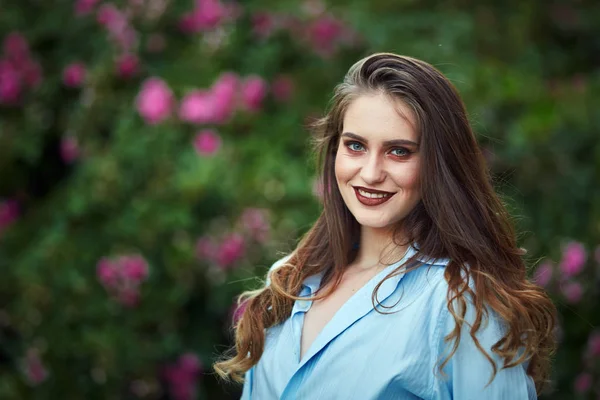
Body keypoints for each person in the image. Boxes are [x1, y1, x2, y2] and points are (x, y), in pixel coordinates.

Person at [213, 53, 557, 399]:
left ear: (438, 164)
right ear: (336, 151)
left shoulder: (462, 302)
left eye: (399, 151)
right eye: (356, 146)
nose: (371, 173)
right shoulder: (288, 283)